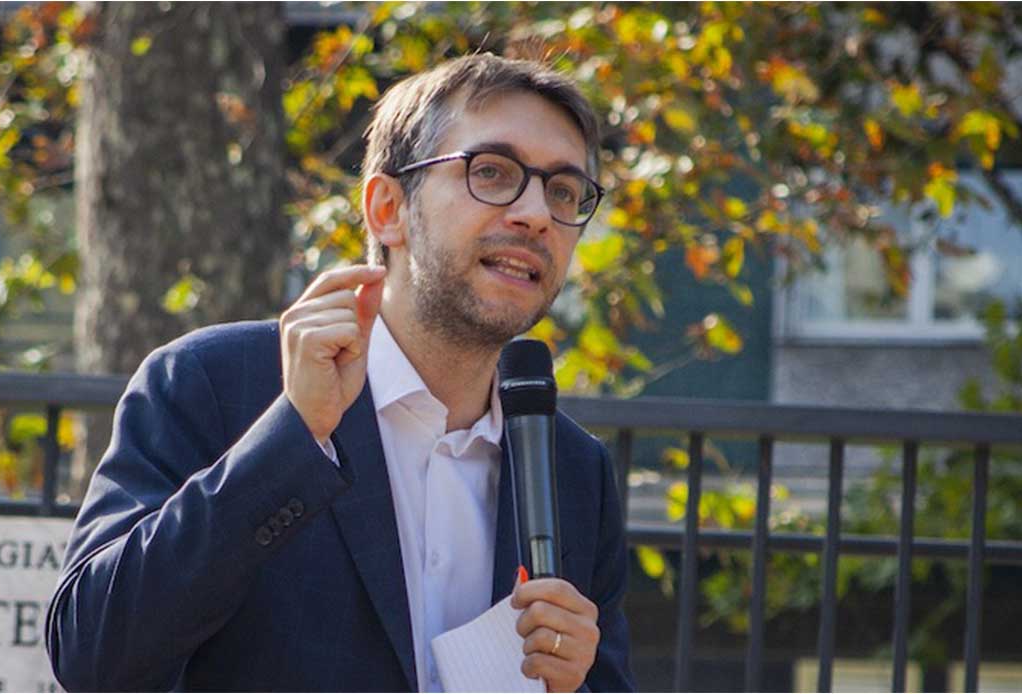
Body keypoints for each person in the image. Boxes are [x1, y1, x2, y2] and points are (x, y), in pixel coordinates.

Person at [45, 53, 634, 692]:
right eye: (492, 172)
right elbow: (92, 656)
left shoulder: (575, 470)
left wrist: (576, 685)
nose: (537, 214)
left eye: (564, 191)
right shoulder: (214, 383)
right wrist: (293, 436)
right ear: (388, 208)